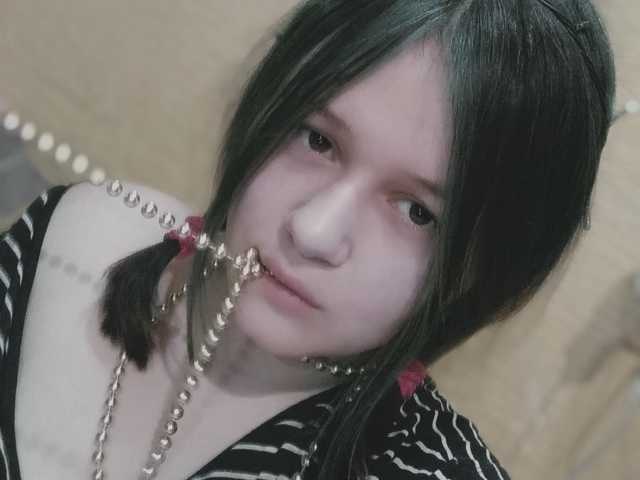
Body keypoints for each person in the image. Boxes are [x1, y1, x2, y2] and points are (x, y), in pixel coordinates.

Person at [0, 0, 615, 479]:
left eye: (417, 213)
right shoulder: (76, 233)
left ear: (486, 270)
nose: (313, 231)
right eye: (318, 140)